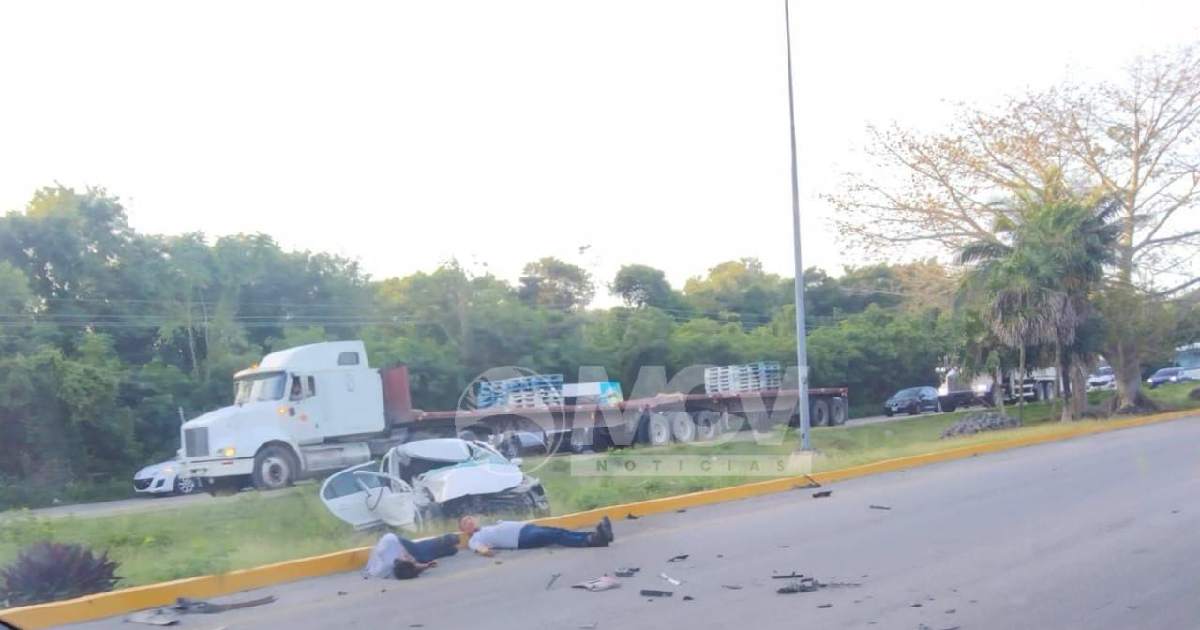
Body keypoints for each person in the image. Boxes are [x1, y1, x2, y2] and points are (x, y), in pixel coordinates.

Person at [459, 515, 613, 556]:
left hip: (526, 529)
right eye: (466, 523)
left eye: (469, 519)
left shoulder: (486, 527)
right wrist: (486, 551)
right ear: (465, 530)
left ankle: (597, 536)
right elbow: (480, 548)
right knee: (555, 536)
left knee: (559, 532)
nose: (469, 522)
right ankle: (593, 540)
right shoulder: (475, 539)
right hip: (521, 538)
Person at [363, 531, 459, 580]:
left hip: (397, 542)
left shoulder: (391, 549)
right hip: (394, 552)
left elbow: (411, 563)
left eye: (408, 558)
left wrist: (415, 561)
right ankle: (449, 550)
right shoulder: (394, 571)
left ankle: (448, 539)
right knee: (423, 557)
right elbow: (411, 568)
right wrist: (426, 566)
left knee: (420, 550)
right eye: (410, 559)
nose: (411, 559)